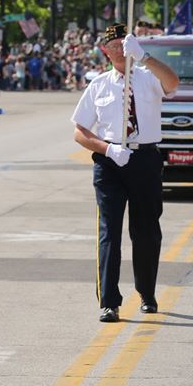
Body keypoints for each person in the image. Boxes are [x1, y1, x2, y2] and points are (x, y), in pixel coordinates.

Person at [71, 23, 179, 323]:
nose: (120, 49)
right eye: (114, 45)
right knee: (109, 232)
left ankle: (146, 292)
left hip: (144, 158)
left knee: (146, 231)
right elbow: (80, 132)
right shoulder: (99, 85)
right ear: (105, 51)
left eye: (124, 43)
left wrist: (144, 57)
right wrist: (107, 149)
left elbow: (173, 82)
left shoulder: (148, 78)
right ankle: (109, 301)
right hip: (110, 162)